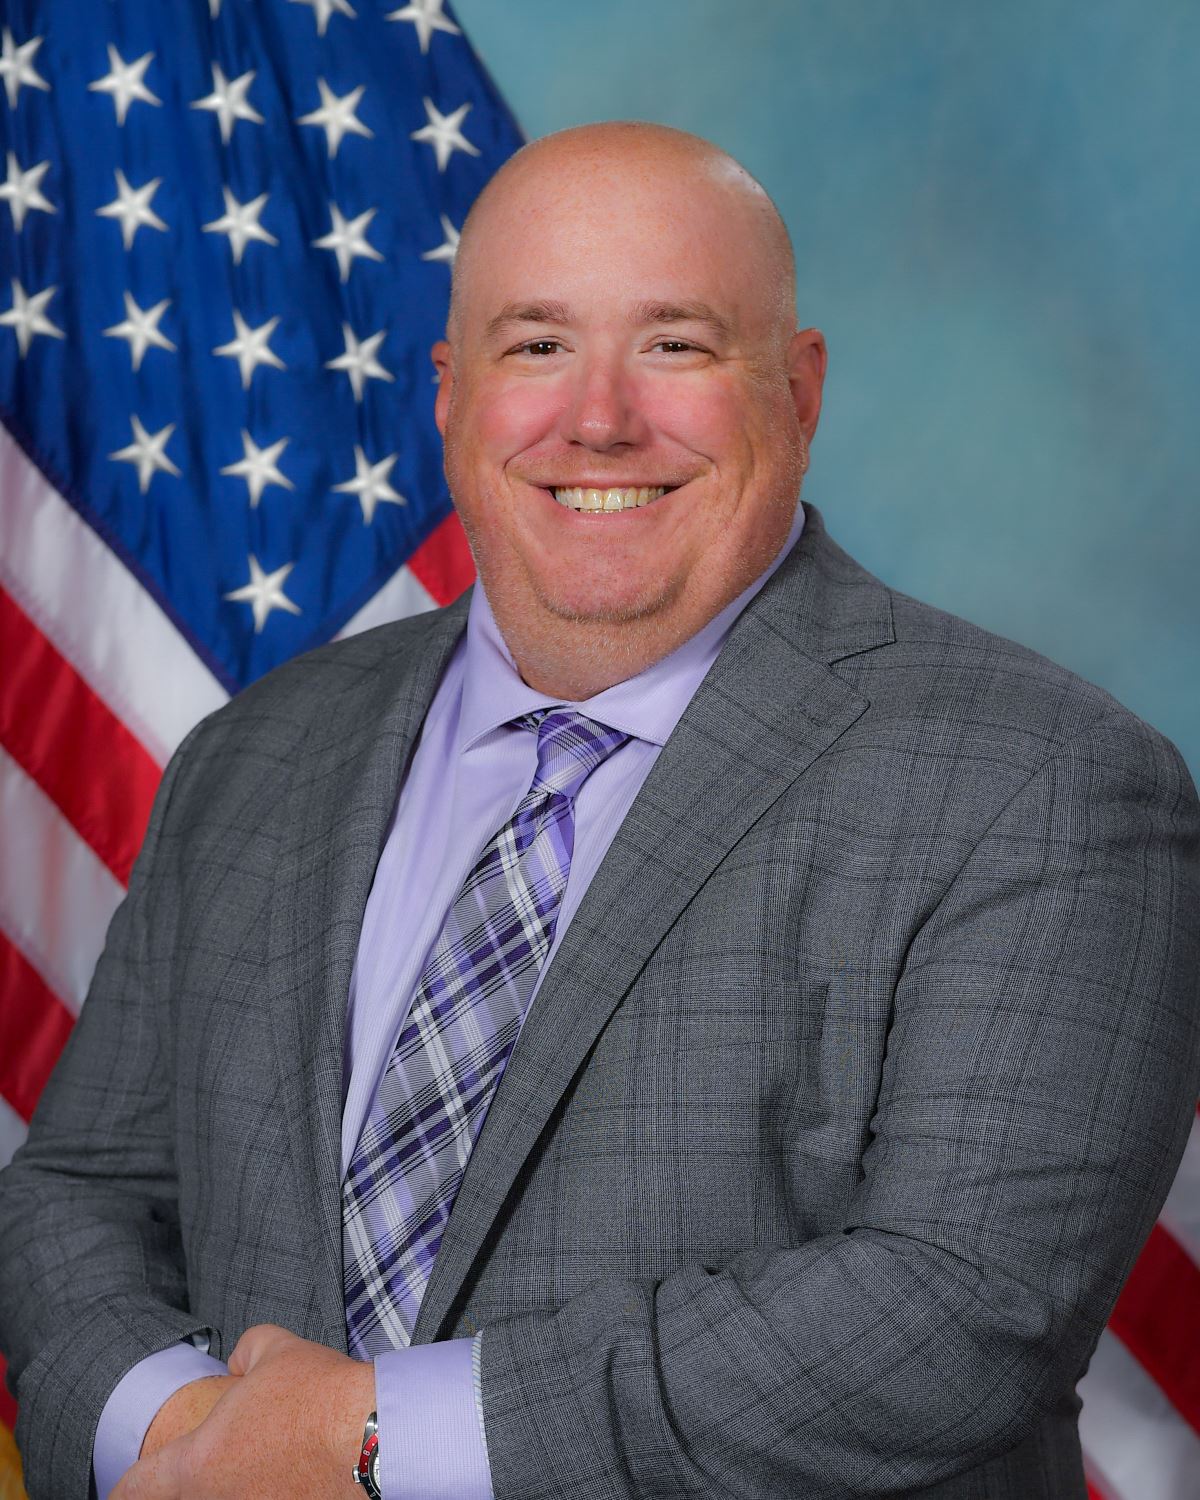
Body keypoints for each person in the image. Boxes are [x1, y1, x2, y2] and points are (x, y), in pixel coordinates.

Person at [1, 120, 1197, 1500]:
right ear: (450, 396)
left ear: (800, 394)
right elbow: (78, 1196)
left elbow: (957, 1314)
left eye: (678, 344)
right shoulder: (257, 757)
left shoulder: (1044, 781)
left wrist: (368, 1437)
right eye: (537, 346)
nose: (601, 418)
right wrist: (186, 1440)